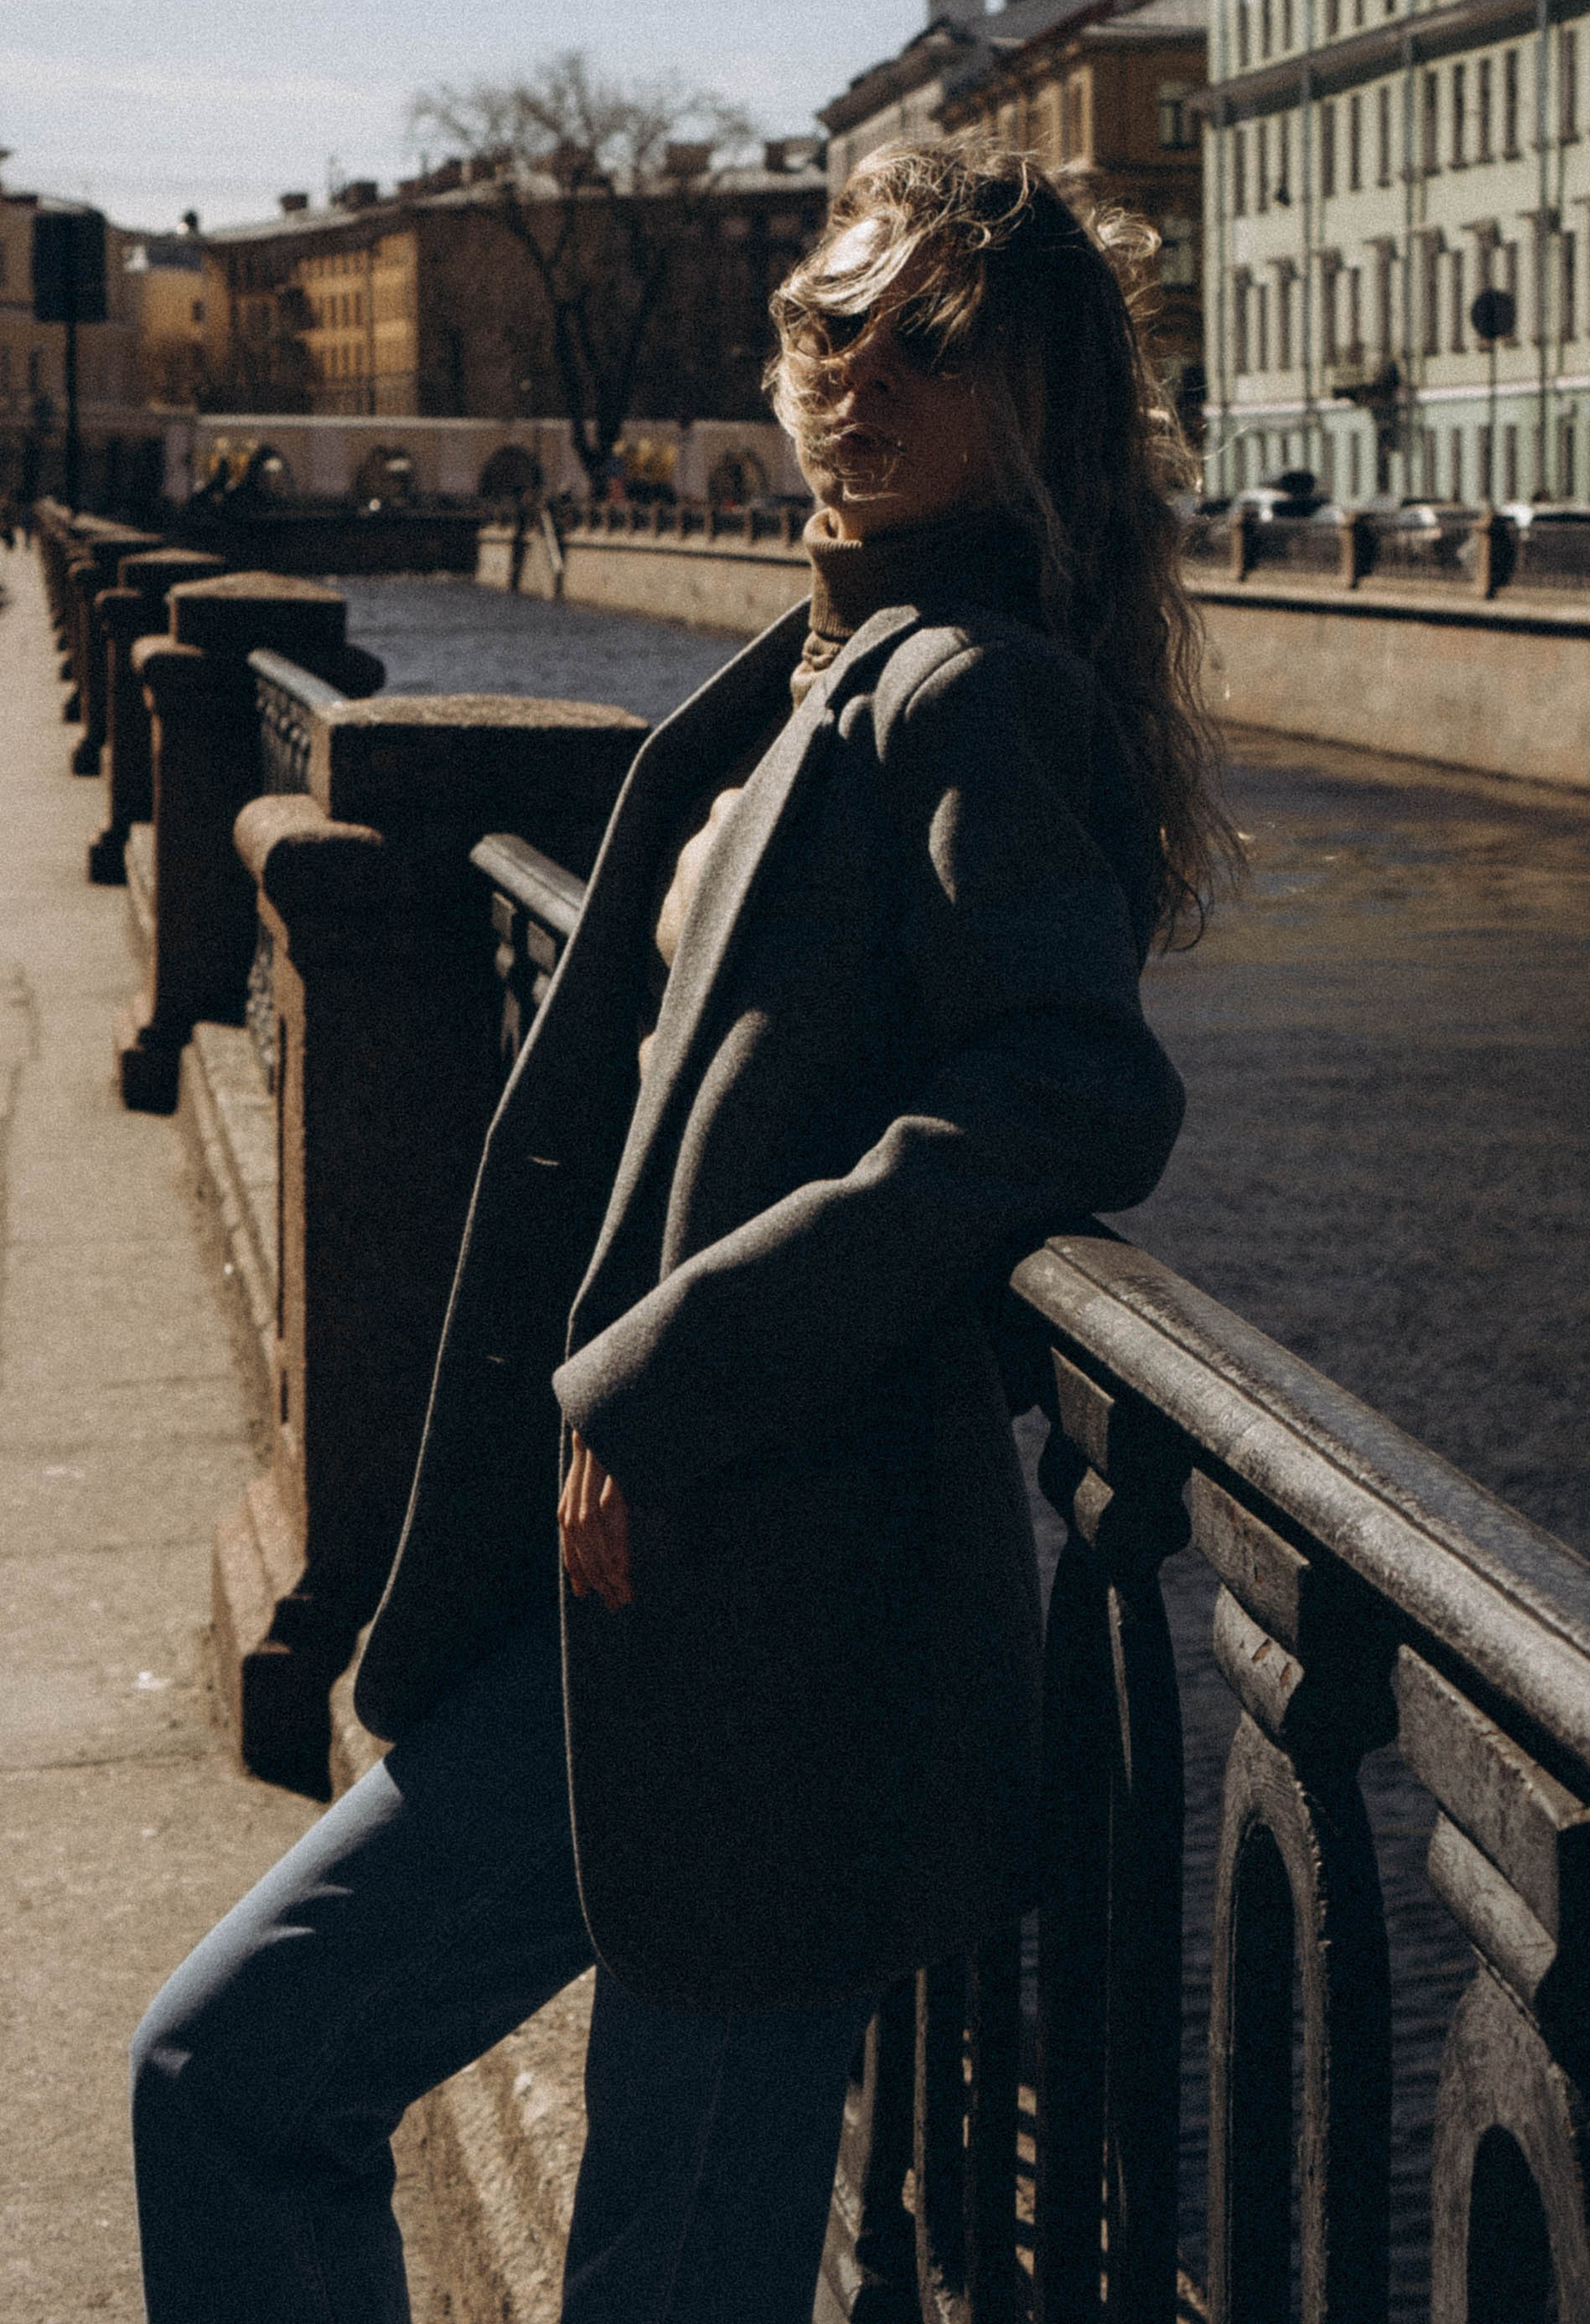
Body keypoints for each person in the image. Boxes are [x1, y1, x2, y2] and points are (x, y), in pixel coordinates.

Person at [131, 148, 1227, 2323]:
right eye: (832, 332)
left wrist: (662, 1376)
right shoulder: (811, 673)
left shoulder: (967, 691)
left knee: (634, 2257)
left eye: (927, 348)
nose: (857, 386)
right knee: (232, 2072)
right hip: (637, 1599)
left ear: (1036, 401)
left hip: (782, 1624)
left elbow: (1067, 1091)